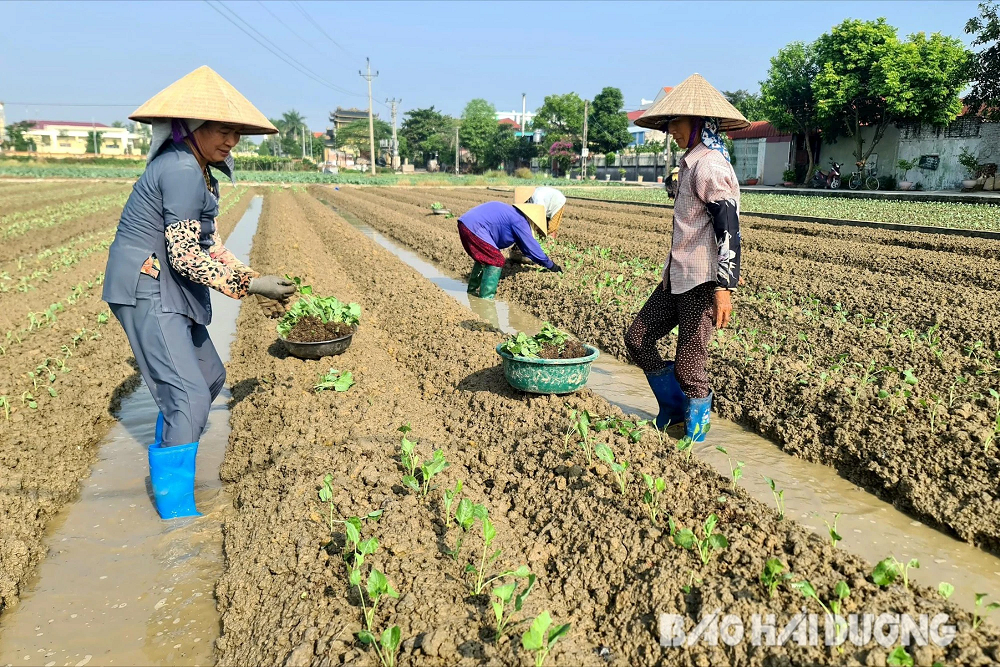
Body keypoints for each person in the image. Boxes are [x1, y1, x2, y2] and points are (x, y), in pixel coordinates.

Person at [103, 66, 297, 519]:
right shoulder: (180, 169)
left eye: (236, 132)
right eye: (222, 130)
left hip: (168, 283)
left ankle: (175, 435)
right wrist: (251, 286)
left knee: (207, 379)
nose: (232, 140)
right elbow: (187, 257)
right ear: (192, 126)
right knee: (188, 396)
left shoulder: (200, 170)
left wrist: (252, 277)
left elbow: (208, 243)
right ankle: (177, 516)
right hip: (147, 285)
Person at [624, 73, 749, 443]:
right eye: (669, 123)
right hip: (677, 276)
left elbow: (728, 226)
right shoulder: (690, 163)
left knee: (690, 369)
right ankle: (674, 411)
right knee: (637, 339)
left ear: (698, 122)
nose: (671, 130)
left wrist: (724, 287)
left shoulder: (710, 165)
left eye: (677, 121)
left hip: (703, 281)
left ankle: (694, 444)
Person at [457, 200, 562, 300]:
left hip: (465, 224)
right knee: (496, 260)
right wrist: (551, 266)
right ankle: (486, 299)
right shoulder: (520, 221)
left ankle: (471, 291)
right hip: (475, 228)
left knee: (484, 258)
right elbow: (532, 248)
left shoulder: (513, 213)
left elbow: (525, 248)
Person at [509, 186, 566, 264]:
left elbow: (539, 216)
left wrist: (530, 234)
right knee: (540, 231)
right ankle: (540, 249)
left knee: (551, 229)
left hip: (557, 203)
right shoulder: (527, 202)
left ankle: (548, 252)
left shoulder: (537, 199)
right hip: (546, 205)